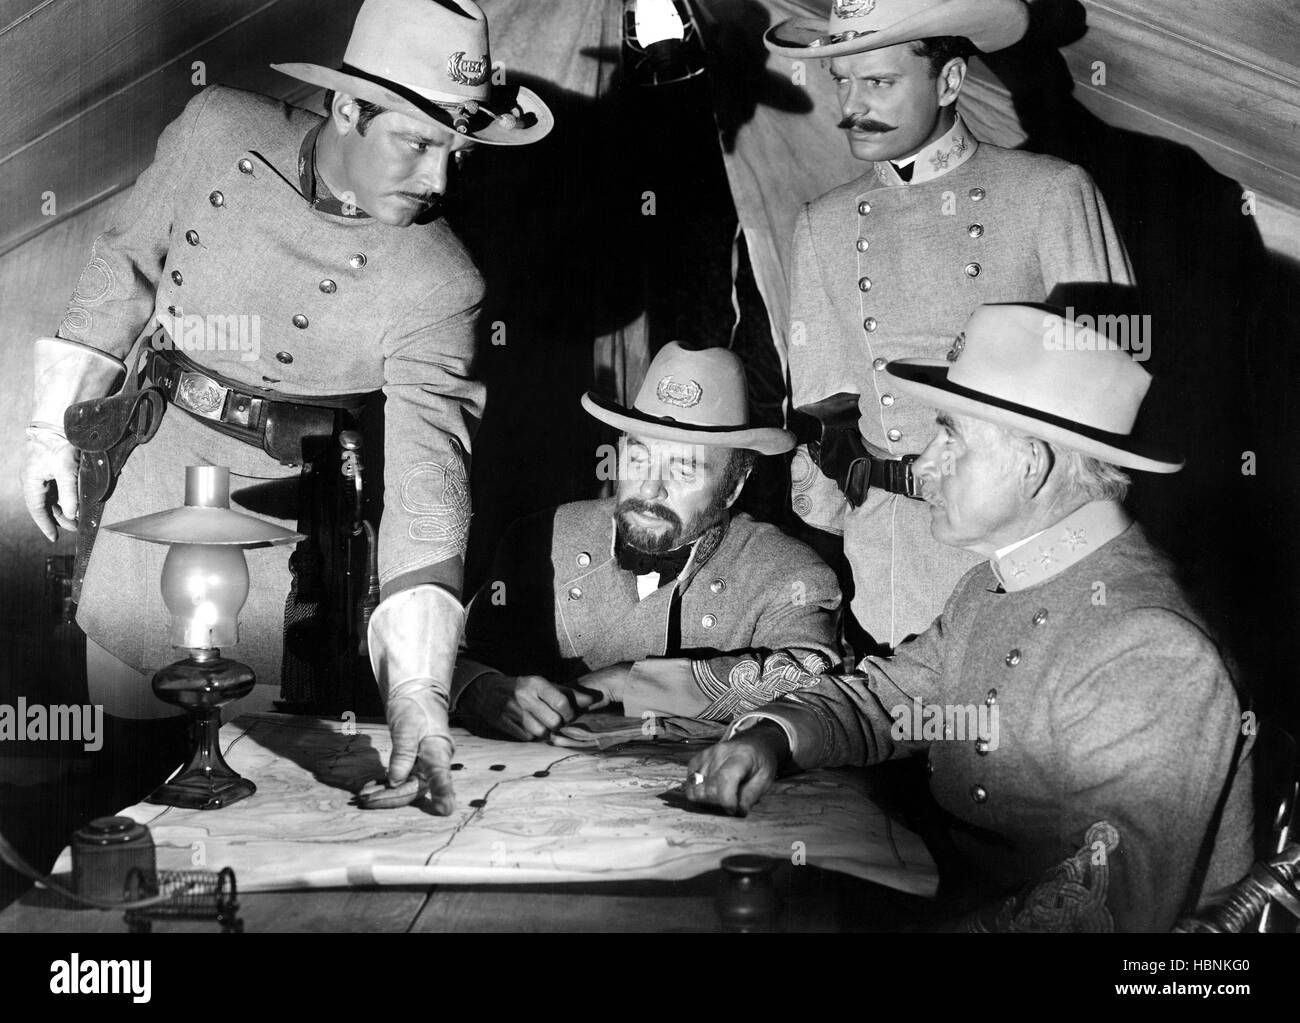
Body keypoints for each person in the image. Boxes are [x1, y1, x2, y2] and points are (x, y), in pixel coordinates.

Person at [20, 0, 553, 814]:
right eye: (416, 141)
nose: (439, 179)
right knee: (119, 772)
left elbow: (427, 484)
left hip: (287, 548)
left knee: (247, 788)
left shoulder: (444, 283)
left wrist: (419, 694)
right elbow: (123, 259)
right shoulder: (216, 129)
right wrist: (50, 427)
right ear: (346, 106)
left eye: (456, 149)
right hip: (154, 489)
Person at [683, 304, 1254, 932]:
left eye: (949, 436)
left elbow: (1094, 914)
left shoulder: (1146, 647)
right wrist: (772, 735)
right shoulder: (994, 582)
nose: (922, 465)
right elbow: (889, 699)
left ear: (1030, 464)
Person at [765, 0, 1134, 650]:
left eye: (877, 82)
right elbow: (825, 403)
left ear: (949, 82)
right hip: (893, 551)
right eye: (842, 81)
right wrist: (837, 508)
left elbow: (1114, 398)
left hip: (1023, 544)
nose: (853, 104)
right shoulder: (823, 223)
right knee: (904, 727)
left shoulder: (1049, 193)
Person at [451, 341, 842, 742]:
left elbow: (816, 684)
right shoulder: (542, 538)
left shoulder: (788, 575)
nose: (651, 489)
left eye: (685, 471)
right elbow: (452, 654)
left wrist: (627, 683)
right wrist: (478, 689)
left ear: (733, 487)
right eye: (639, 461)